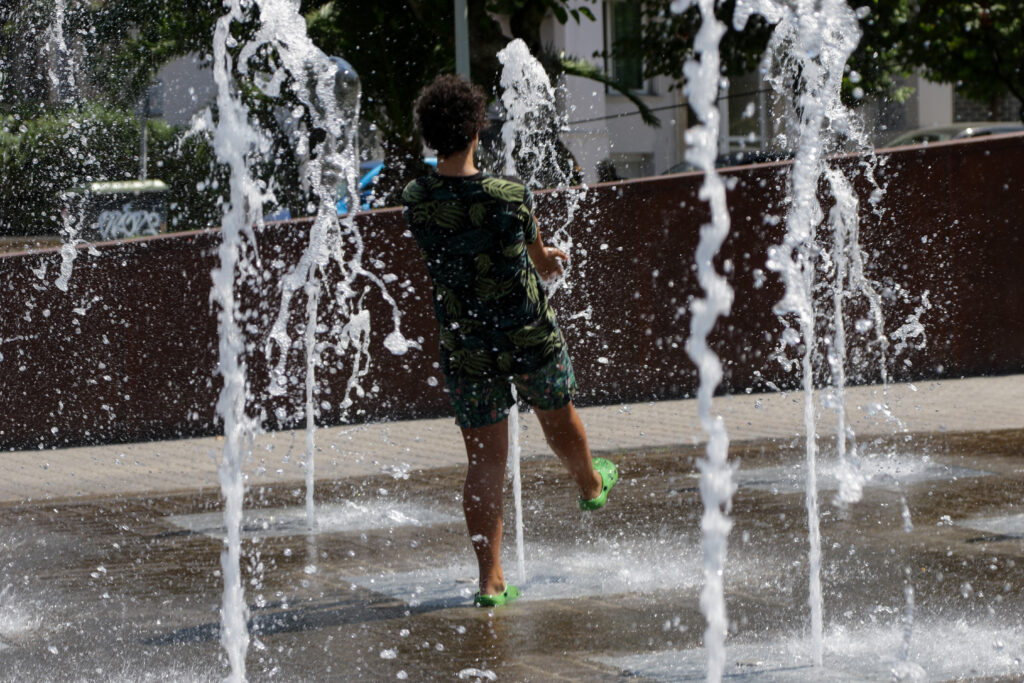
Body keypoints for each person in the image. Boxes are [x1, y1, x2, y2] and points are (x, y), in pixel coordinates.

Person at [401, 74, 619, 608]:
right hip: (527, 331)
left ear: (430, 136)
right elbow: (540, 261)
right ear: (479, 129)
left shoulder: (417, 197)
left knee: (484, 461)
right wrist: (552, 261)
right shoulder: (509, 194)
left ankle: (491, 580)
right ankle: (590, 484)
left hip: (466, 340)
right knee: (556, 411)